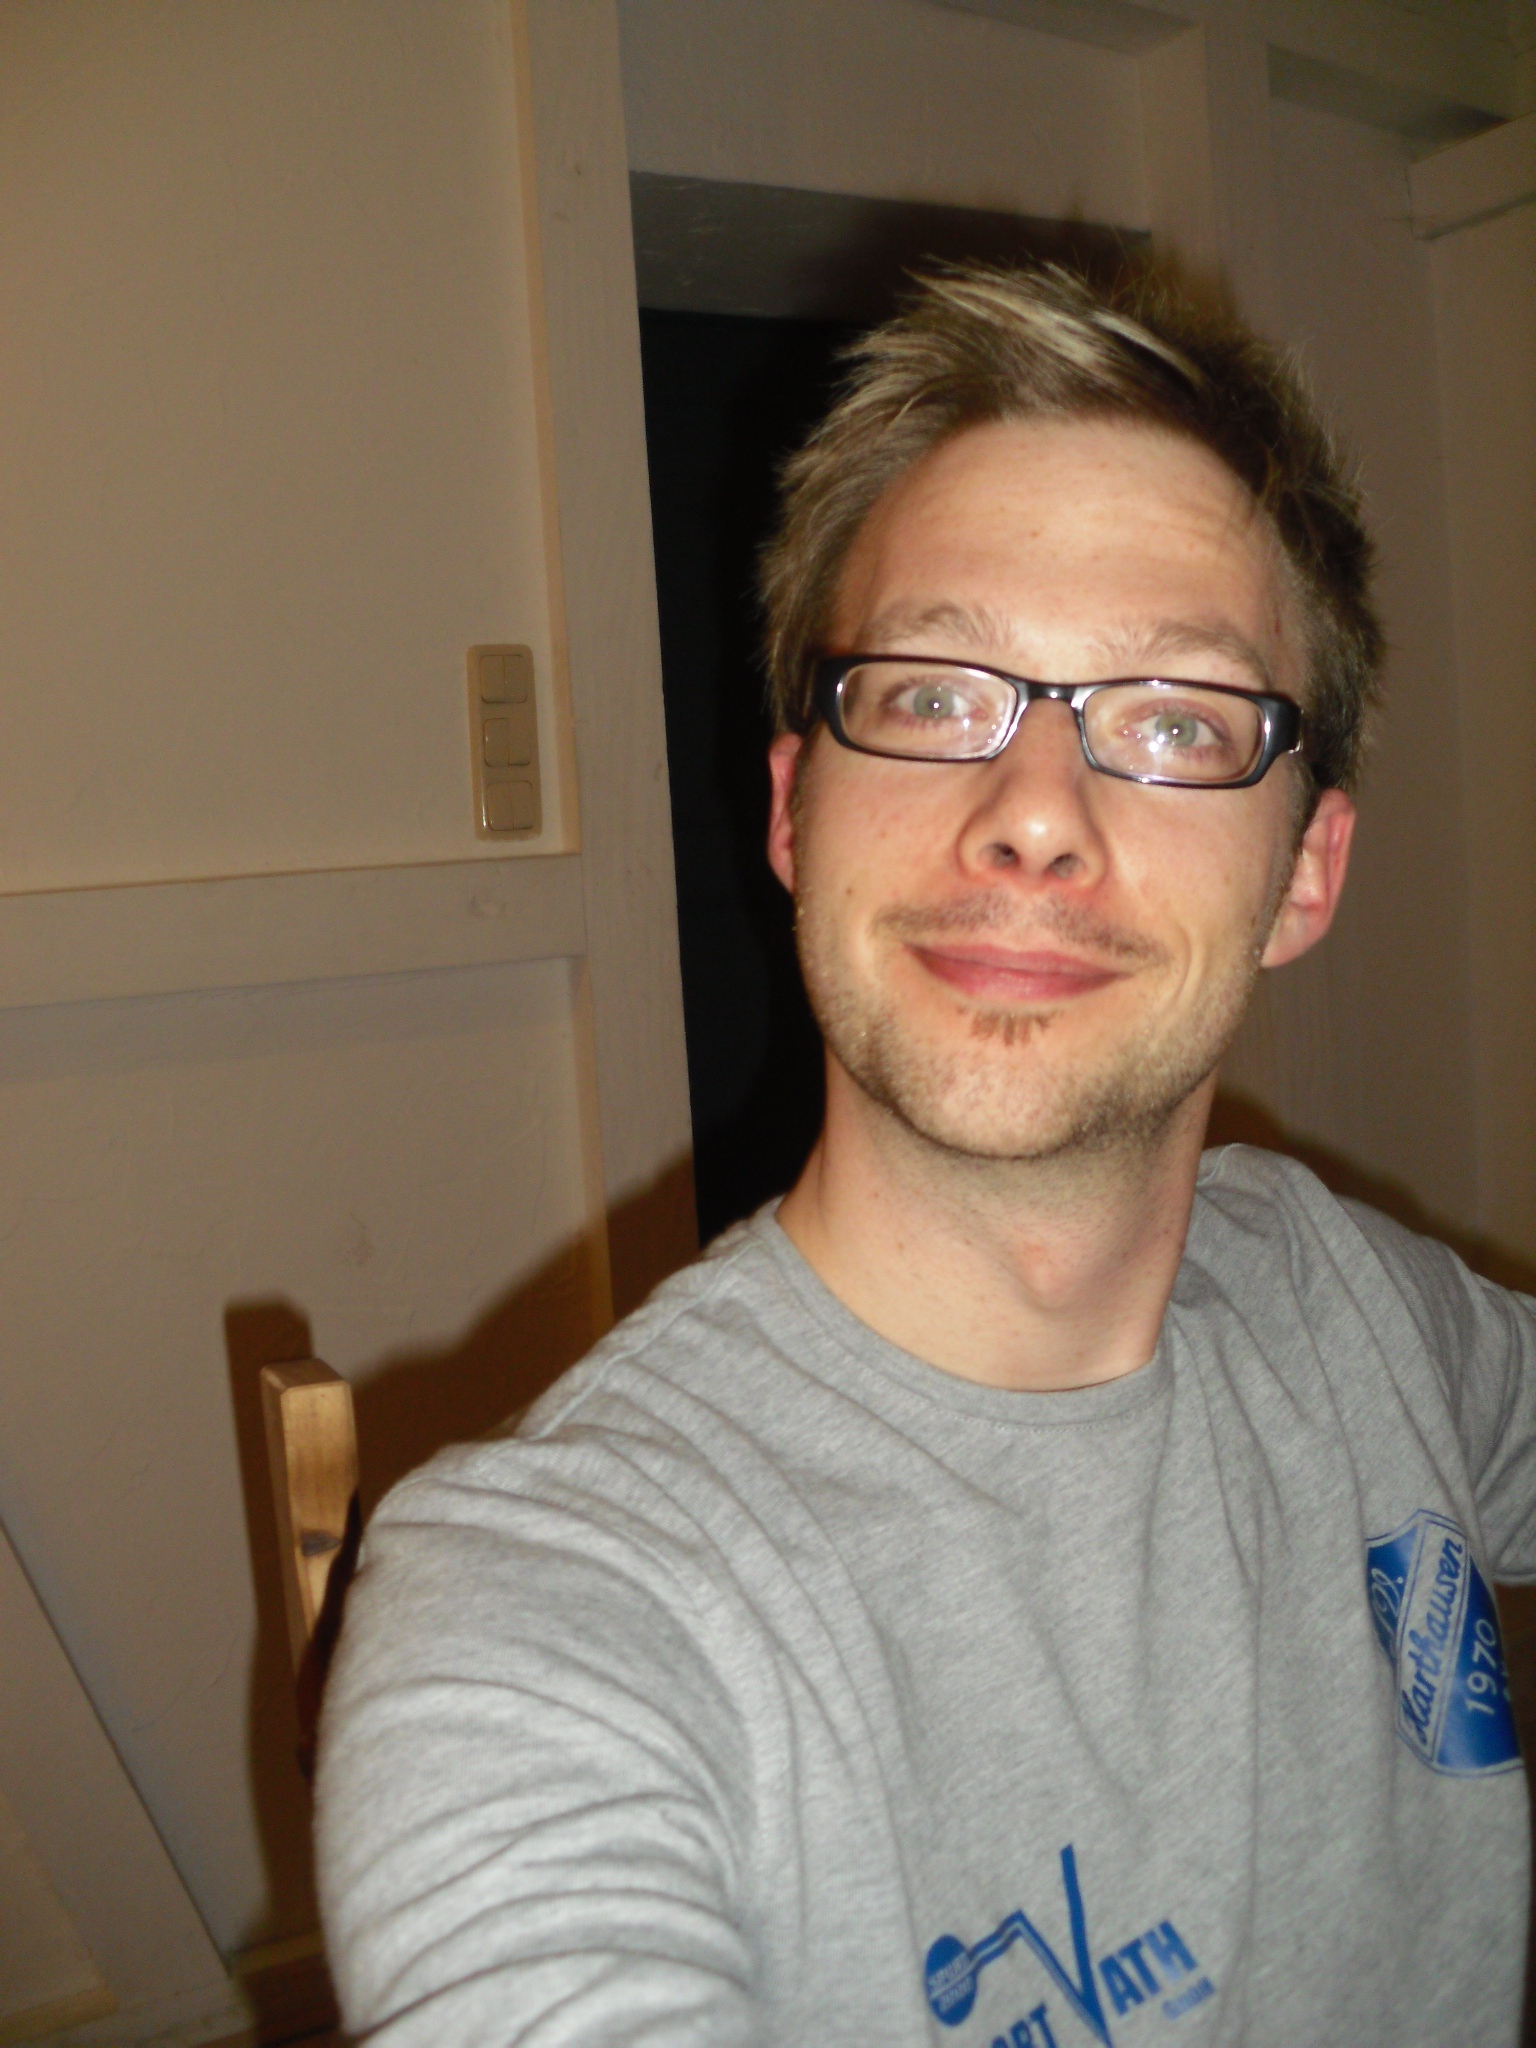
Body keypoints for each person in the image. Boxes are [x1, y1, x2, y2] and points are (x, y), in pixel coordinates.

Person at [315, 264, 1536, 2047]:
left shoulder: (1357, 1305)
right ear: (795, 809)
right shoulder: (553, 1596)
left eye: (1177, 722)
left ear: (1307, 874)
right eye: (934, 696)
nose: (1034, 814)